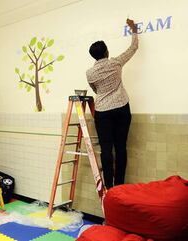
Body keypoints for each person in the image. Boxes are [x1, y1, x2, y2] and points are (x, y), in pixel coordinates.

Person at [86, 19, 138, 189]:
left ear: (94, 56)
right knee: (121, 147)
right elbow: (133, 48)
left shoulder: (90, 73)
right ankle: (120, 185)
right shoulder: (116, 63)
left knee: (106, 149)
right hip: (122, 107)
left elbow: (95, 90)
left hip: (103, 111)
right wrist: (134, 30)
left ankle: (109, 186)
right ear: (106, 52)